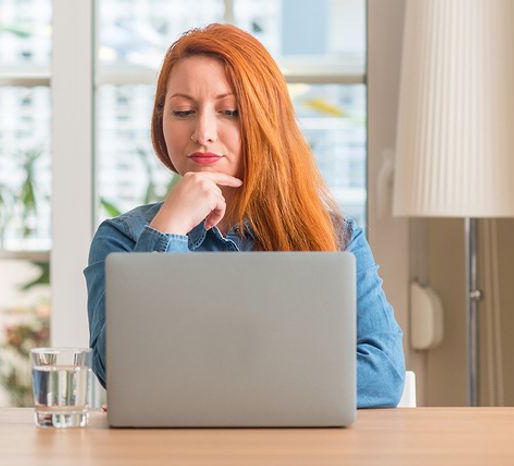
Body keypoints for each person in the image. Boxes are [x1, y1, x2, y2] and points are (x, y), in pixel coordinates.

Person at [83, 23, 406, 409]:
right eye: (183, 111)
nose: (203, 132)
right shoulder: (122, 239)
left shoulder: (336, 237)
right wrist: (168, 231)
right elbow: (122, 374)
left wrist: (203, 389)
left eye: (230, 111)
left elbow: (382, 375)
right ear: (160, 120)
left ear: (265, 120)